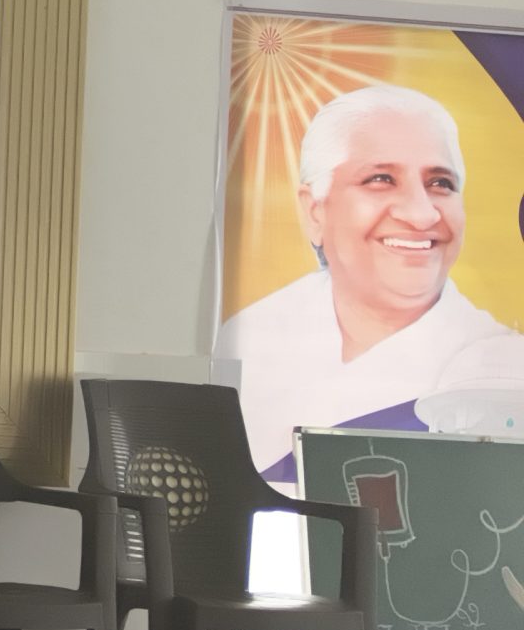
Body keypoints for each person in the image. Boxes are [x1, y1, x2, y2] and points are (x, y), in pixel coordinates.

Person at [215, 85, 521, 481]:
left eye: (440, 183)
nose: (421, 214)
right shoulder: (250, 336)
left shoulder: (498, 368)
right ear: (314, 211)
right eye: (381, 179)